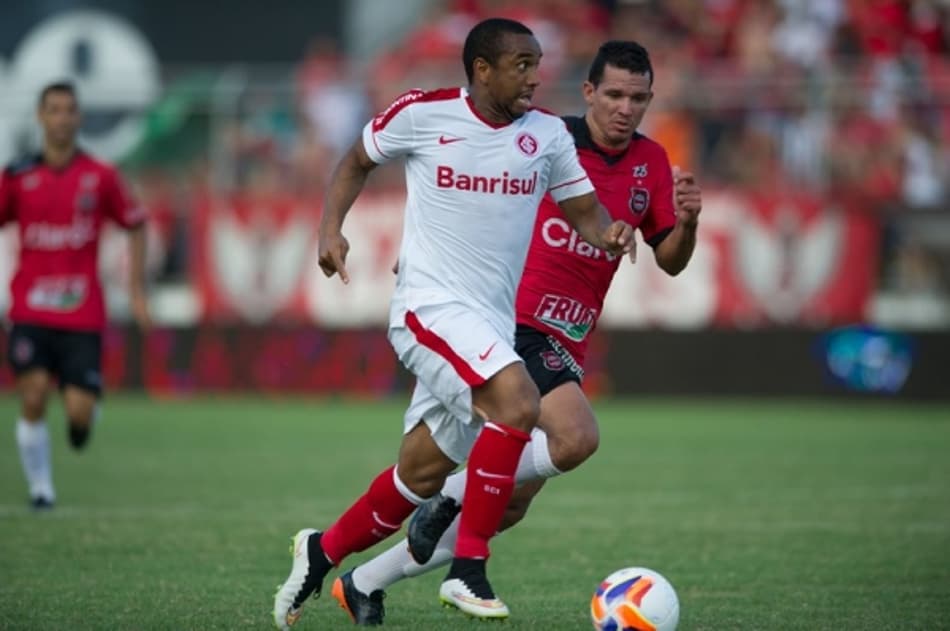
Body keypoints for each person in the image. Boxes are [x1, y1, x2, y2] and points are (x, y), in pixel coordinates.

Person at [273, 18, 634, 629]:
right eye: (521, 64)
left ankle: (322, 552)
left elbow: (583, 211)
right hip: (427, 308)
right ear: (481, 69)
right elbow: (355, 161)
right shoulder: (422, 113)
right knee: (517, 403)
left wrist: (609, 231)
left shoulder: (546, 135)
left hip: (488, 324)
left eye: (537, 63)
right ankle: (468, 569)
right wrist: (330, 228)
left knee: (419, 472)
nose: (534, 77)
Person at [328, 40, 703, 626]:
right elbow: (466, 191)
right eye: (613, 95)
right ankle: (454, 510)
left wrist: (687, 222)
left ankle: (364, 581)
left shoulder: (651, 164)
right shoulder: (544, 136)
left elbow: (672, 261)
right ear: (589, 93)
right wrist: (427, 261)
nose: (624, 108)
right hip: (515, 324)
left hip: (570, 338)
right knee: (576, 437)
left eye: (637, 98)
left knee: (505, 507)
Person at [0, 81, 150, 509]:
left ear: (78, 118)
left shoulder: (100, 177)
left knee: (79, 414)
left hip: (82, 315)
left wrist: (137, 290)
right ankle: (41, 490)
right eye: (53, 109)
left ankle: (82, 420)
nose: (62, 117)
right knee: (31, 396)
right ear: (40, 116)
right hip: (29, 307)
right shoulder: (17, 177)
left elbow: (135, 223)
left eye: (69, 110)